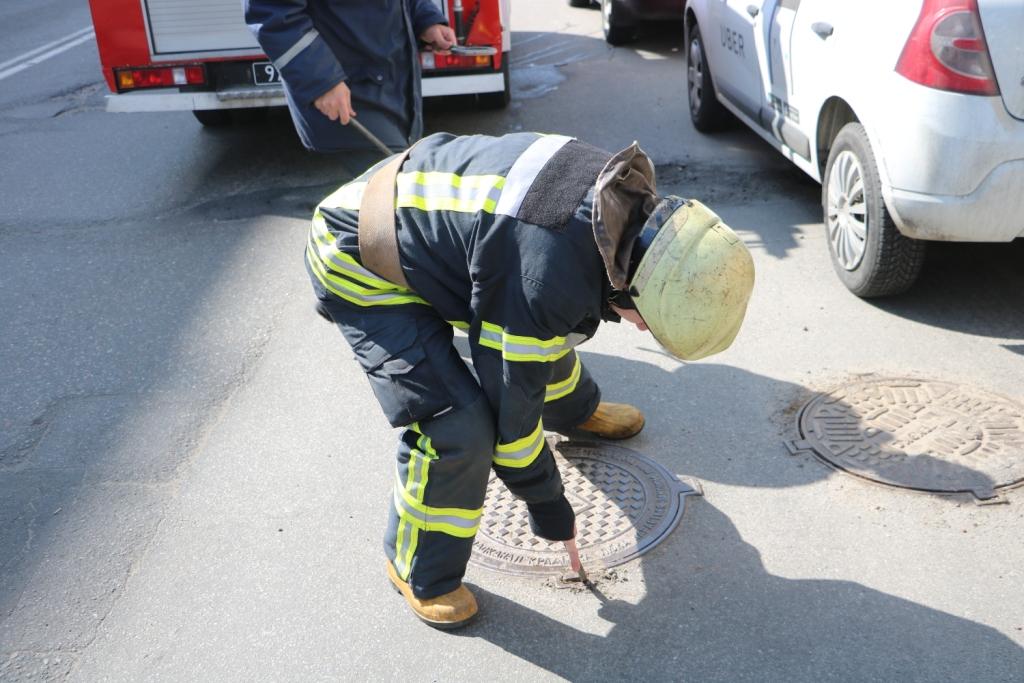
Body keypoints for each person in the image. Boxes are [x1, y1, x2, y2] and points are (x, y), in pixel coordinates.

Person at [307, 132, 755, 629]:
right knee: (458, 428)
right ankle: (418, 569)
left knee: (540, 330)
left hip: (435, 224)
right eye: (650, 318)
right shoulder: (543, 276)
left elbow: (537, 327)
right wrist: (549, 508)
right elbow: (512, 416)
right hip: (359, 252)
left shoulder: (623, 208)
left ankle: (576, 412)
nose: (645, 328)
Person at [244, 0, 456, 152]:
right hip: (348, 97)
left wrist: (426, 19)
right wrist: (322, 80)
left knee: (394, 197)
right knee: (388, 200)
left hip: (391, 89)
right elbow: (272, 12)